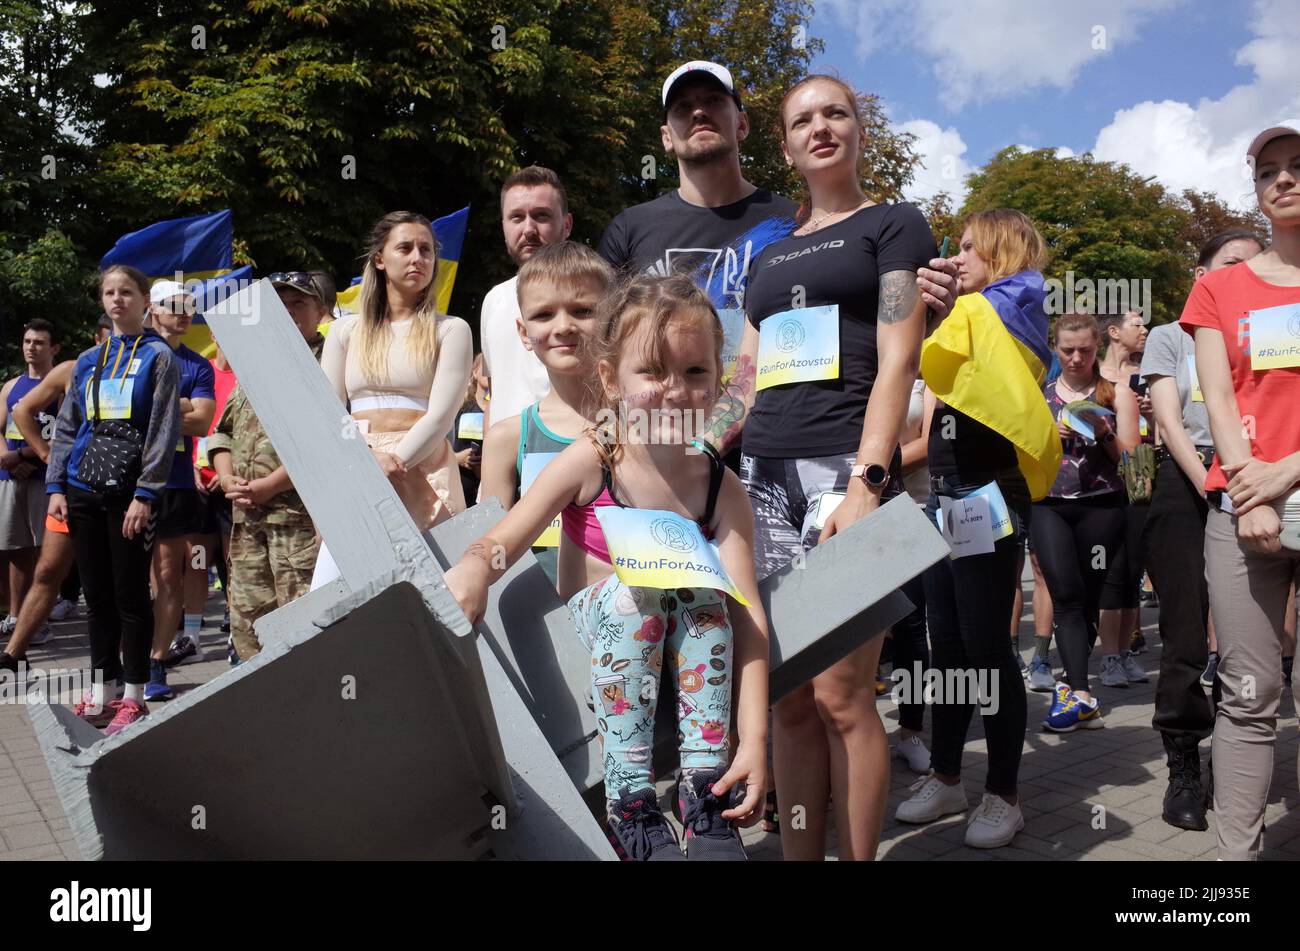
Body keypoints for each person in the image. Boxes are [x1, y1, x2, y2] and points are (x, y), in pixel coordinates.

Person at [444, 274, 769, 861]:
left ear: (719, 381)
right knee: (636, 599)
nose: (675, 391)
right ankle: (631, 804)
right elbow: (506, 537)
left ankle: (704, 790)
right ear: (610, 378)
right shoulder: (595, 457)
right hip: (606, 627)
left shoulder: (721, 487)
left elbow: (749, 619)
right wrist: (473, 569)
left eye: (695, 372)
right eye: (652, 372)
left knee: (705, 602)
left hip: (687, 640)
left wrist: (758, 741)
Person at [726, 74, 933, 861]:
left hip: (846, 471)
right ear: (782, 145)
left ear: (857, 131)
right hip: (762, 481)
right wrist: (672, 445)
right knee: (786, 698)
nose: (820, 127)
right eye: (802, 119)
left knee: (844, 696)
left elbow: (898, 359)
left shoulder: (894, 226)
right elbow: (742, 381)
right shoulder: (770, 256)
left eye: (835, 113)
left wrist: (868, 481)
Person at [895, 209, 1061, 848]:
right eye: (956, 246)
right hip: (944, 496)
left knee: (987, 646)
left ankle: (1003, 794)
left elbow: (920, 347)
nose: (956, 256)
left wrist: (918, 304)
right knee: (949, 646)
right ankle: (946, 776)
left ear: (1003, 252)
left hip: (983, 496)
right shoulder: (973, 316)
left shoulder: (1009, 307)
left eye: (970, 248)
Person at [1183, 121, 1300, 860]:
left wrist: (1289, 471)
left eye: (1297, 166)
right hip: (1243, 506)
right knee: (1248, 696)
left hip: (1284, 476)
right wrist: (1253, 494)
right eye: (1269, 171)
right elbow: (1218, 400)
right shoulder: (1217, 286)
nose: (1283, 180)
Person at [1141, 228, 1266, 832]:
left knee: (1258, 632)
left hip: (1262, 475)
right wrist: (1214, 483)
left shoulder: (1269, 324)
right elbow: (1167, 416)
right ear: (1201, 275)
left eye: (1254, 261)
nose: (1247, 272)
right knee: (1186, 628)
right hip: (1191, 477)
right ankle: (1184, 765)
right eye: (1231, 263)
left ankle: (1245, 756)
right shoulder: (1170, 338)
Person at [46, 264, 181, 734]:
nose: (117, 299)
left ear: (145, 301)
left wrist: (147, 494)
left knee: (129, 594)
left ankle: (135, 694)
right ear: (102, 300)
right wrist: (55, 487)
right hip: (83, 487)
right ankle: (101, 688)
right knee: (95, 594)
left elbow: (164, 429)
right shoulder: (88, 360)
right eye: (109, 292)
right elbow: (68, 426)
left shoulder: (161, 357)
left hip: (130, 492)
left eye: (127, 292)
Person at [315, 214, 472, 586]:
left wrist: (395, 461)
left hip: (424, 470)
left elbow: (440, 416)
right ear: (380, 259)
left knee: (432, 593)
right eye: (405, 248)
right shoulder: (344, 330)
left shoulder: (451, 329)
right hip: (357, 464)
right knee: (332, 591)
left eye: (427, 250)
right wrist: (367, 462)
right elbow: (328, 411)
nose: (418, 257)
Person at [206, 272, 329, 662]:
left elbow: (325, 443)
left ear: (320, 311)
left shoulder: (330, 364)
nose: (289, 313)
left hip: (298, 526)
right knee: (250, 629)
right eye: (281, 305)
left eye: (299, 304)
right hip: (246, 522)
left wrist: (271, 486)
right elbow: (221, 434)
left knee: (304, 628)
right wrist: (226, 477)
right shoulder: (256, 364)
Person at [477, 242, 615, 587]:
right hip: (540, 628)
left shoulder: (641, 427)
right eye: (543, 315)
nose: (564, 326)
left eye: (583, 311)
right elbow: (490, 550)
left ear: (613, 319)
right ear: (524, 334)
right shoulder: (507, 439)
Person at [1033, 313, 1141, 731]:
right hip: (1049, 505)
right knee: (1065, 592)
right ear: (1055, 348)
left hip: (1102, 508)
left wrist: (1105, 433)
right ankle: (1079, 691)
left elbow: (1132, 460)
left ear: (1098, 347)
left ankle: (1076, 689)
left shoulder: (1116, 395)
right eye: (1067, 350)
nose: (1076, 358)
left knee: (1089, 594)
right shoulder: (1038, 395)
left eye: (1085, 350)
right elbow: (1016, 452)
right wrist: (1045, 439)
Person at [141, 281, 215, 701]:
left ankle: (156, 664)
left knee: (170, 578)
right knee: (128, 579)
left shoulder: (197, 365)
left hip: (176, 484)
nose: (184, 313)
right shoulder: (135, 355)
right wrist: (180, 405)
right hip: (128, 484)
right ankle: (124, 663)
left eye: (189, 306)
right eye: (174, 306)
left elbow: (203, 422)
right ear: (153, 309)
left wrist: (158, 409)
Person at [0, 356, 80, 672]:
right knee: (46, 569)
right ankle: (13, 655)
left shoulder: (150, 361)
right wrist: (45, 459)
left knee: (113, 583)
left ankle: (125, 677)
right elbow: (21, 411)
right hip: (67, 487)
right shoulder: (76, 368)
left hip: (119, 491)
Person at [480, 166, 573, 427]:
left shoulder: (598, 297)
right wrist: (491, 458)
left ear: (566, 225)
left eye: (541, 216)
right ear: (504, 225)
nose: (529, 229)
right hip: (506, 460)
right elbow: (492, 391)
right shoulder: (493, 300)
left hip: (574, 452)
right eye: (517, 217)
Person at [0, 320, 61, 644]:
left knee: (44, 551)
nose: (30, 347)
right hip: (10, 477)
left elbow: (65, 436)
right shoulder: (10, 387)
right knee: (14, 548)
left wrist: (23, 455)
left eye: (39, 342)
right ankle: (14, 615)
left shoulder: (61, 387)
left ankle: (41, 620)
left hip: (42, 477)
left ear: (54, 349)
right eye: (27, 341)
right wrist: (7, 458)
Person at [1098, 311, 1153, 665]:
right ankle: (1108, 652)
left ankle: (1130, 641)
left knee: (1134, 565)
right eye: (1137, 324)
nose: (1145, 330)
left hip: (1145, 476)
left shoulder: (1149, 376)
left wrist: (1155, 413)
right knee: (1110, 570)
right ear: (1114, 332)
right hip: (1097, 484)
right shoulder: (1090, 377)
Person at [452, 354, 488, 506]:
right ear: (474, 372)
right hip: (460, 487)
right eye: (487, 367)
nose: (491, 372)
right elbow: (436, 446)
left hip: (489, 488)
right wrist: (457, 458)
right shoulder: (459, 408)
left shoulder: (505, 411)